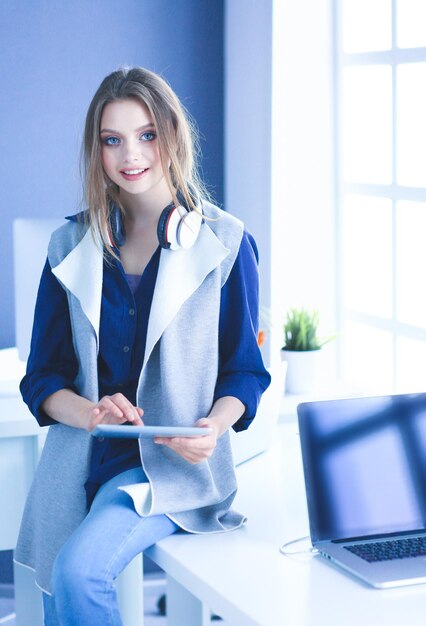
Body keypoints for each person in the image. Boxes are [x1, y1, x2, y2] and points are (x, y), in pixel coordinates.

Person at [15, 66, 271, 626]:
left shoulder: (226, 243)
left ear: (173, 136)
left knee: (80, 573)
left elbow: (245, 372)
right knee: (61, 594)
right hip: (81, 457)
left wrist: (213, 427)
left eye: (147, 134)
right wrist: (92, 412)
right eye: (113, 139)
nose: (131, 154)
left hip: (167, 467)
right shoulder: (68, 244)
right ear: (97, 149)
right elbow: (42, 378)